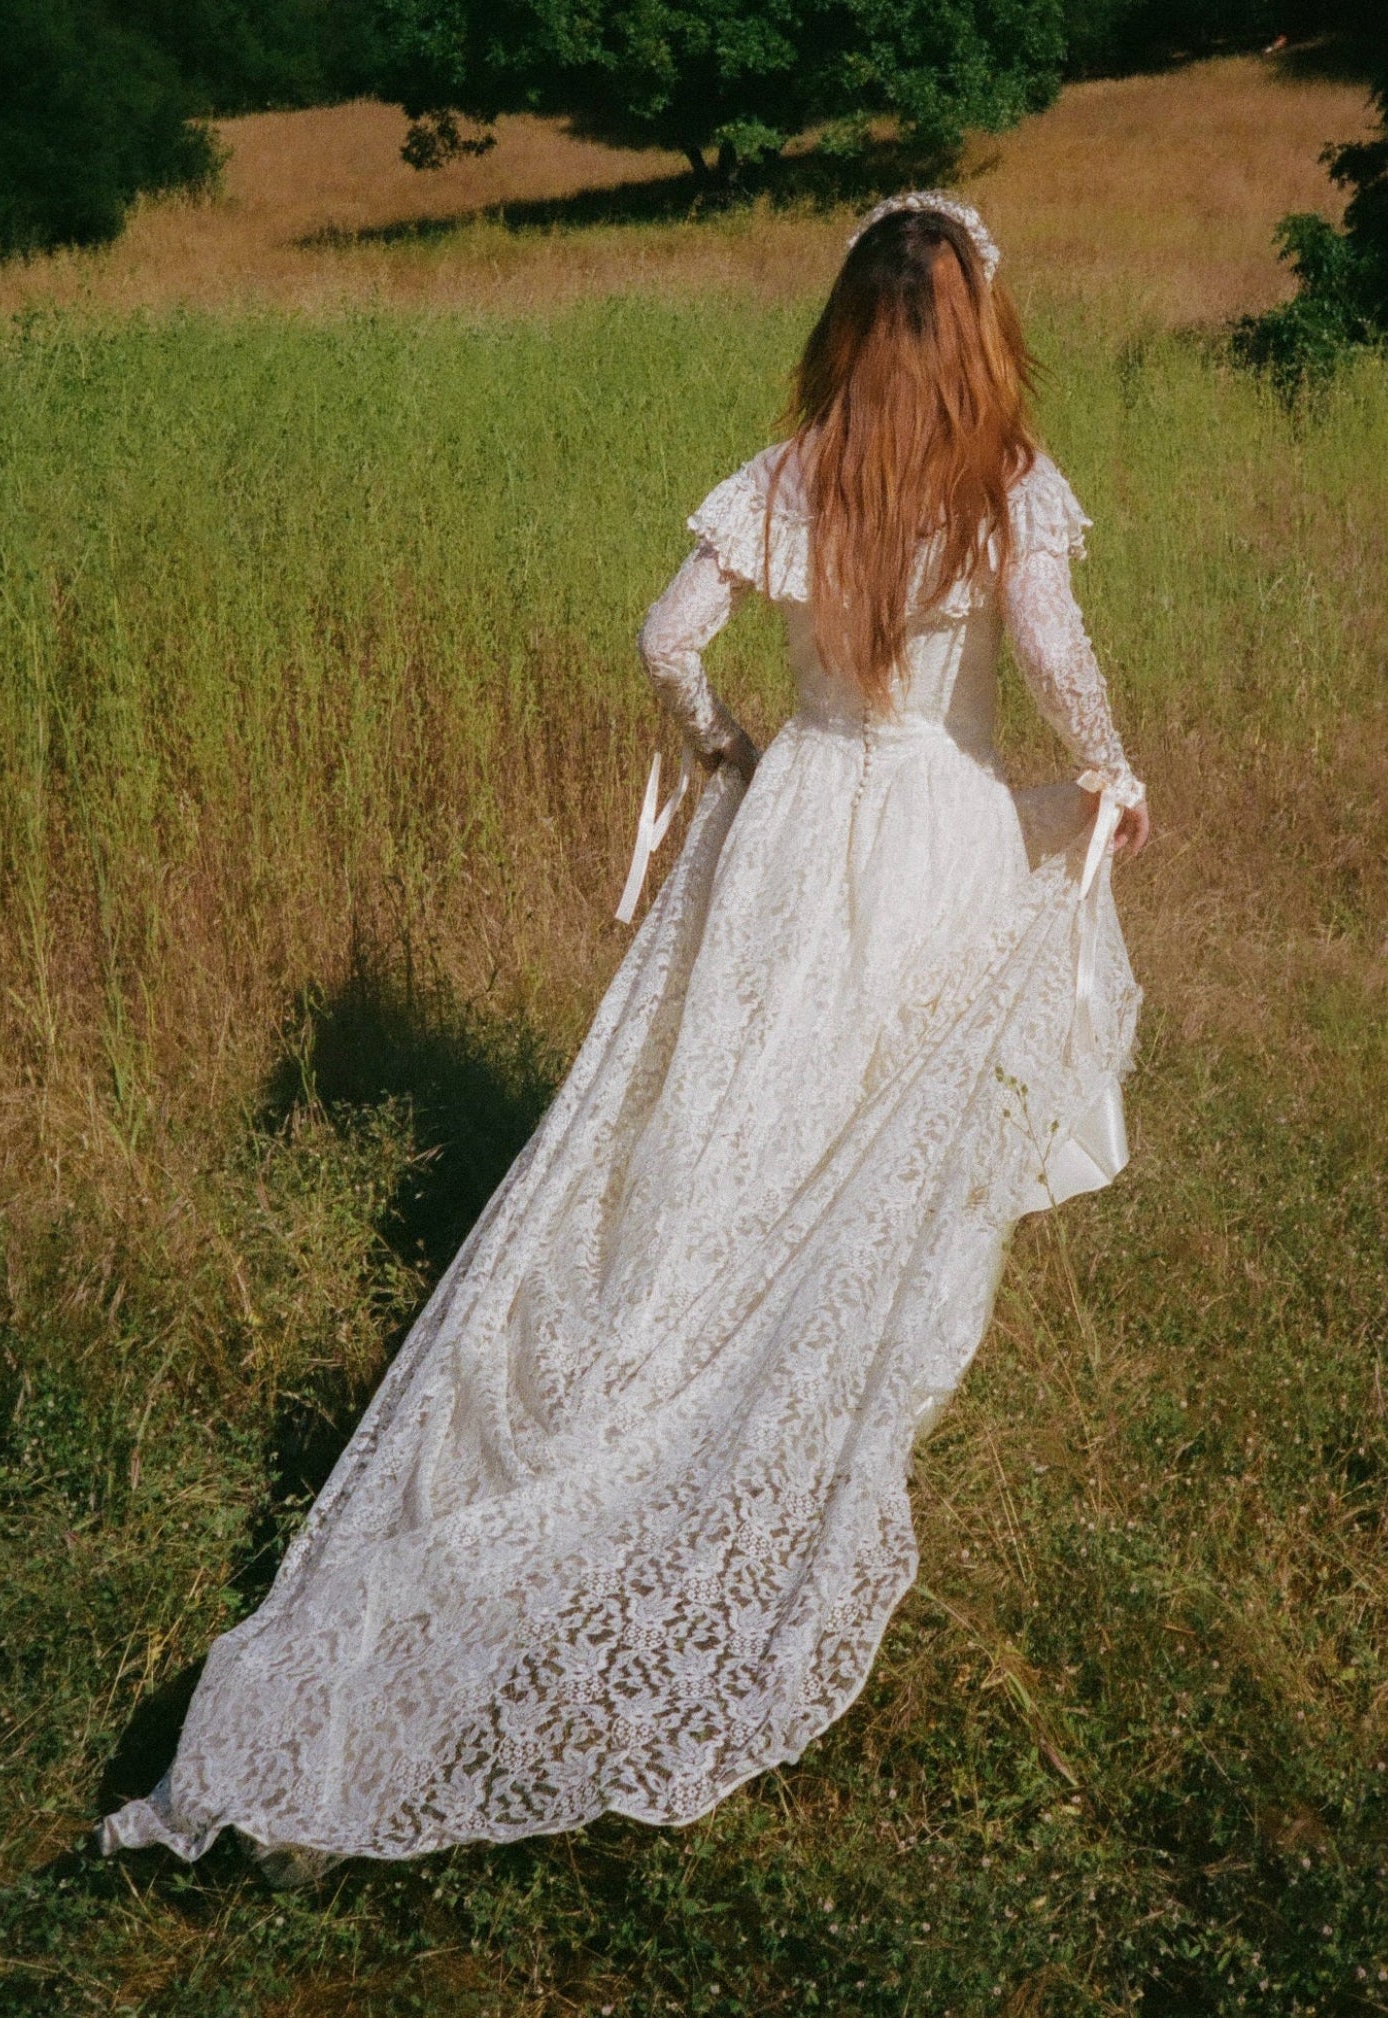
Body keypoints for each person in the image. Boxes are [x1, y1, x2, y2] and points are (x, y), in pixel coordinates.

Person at [97, 190, 1148, 1884]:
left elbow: (665, 639)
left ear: (845, 317)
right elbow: (1050, 653)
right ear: (971, 325)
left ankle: (588, 1433)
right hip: (937, 840)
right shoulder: (1004, 482)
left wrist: (726, 746)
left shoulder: (795, 467)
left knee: (712, 1147)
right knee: (850, 1163)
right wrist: (1108, 768)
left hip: (792, 827)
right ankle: (717, 1444)